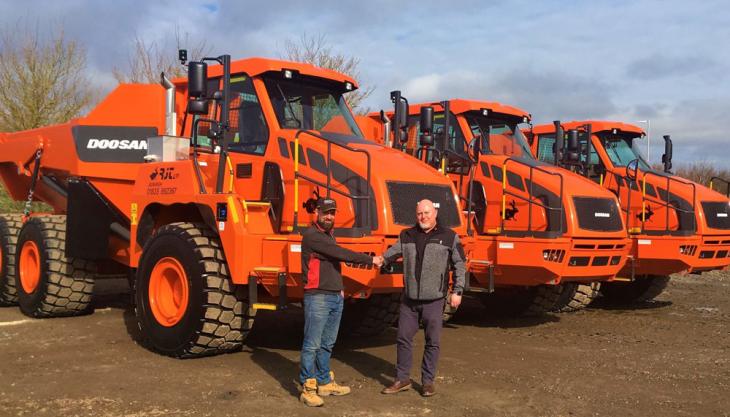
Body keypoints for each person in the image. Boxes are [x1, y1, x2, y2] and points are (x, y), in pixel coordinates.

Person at [299, 197, 384, 407]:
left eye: (332, 213)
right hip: (318, 296)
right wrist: (370, 259)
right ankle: (307, 388)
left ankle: (324, 382)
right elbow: (341, 254)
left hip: (335, 296)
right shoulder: (312, 236)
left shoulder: (328, 236)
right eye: (326, 212)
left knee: (327, 344)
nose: (329, 216)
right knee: (312, 345)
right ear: (317, 212)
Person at [381, 199, 466, 397]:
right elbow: (393, 252)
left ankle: (427, 381)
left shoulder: (449, 236)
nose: (423, 217)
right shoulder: (407, 235)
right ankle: (402, 379)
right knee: (403, 338)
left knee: (432, 342)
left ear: (434, 213)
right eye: (420, 213)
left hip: (434, 300)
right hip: (409, 300)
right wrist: (381, 259)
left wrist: (458, 291)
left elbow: (459, 264)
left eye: (427, 213)